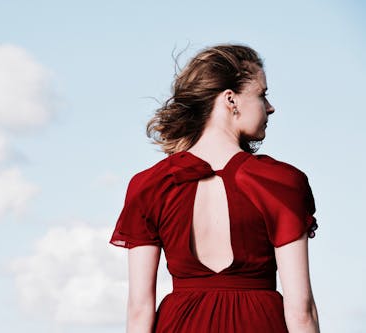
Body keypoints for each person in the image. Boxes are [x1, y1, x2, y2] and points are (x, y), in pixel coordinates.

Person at [109, 44, 320, 332]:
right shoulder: (280, 183)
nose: (270, 107)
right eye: (262, 94)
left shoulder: (151, 186)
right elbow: (301, 310)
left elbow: (138, 309)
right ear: (230, 99)